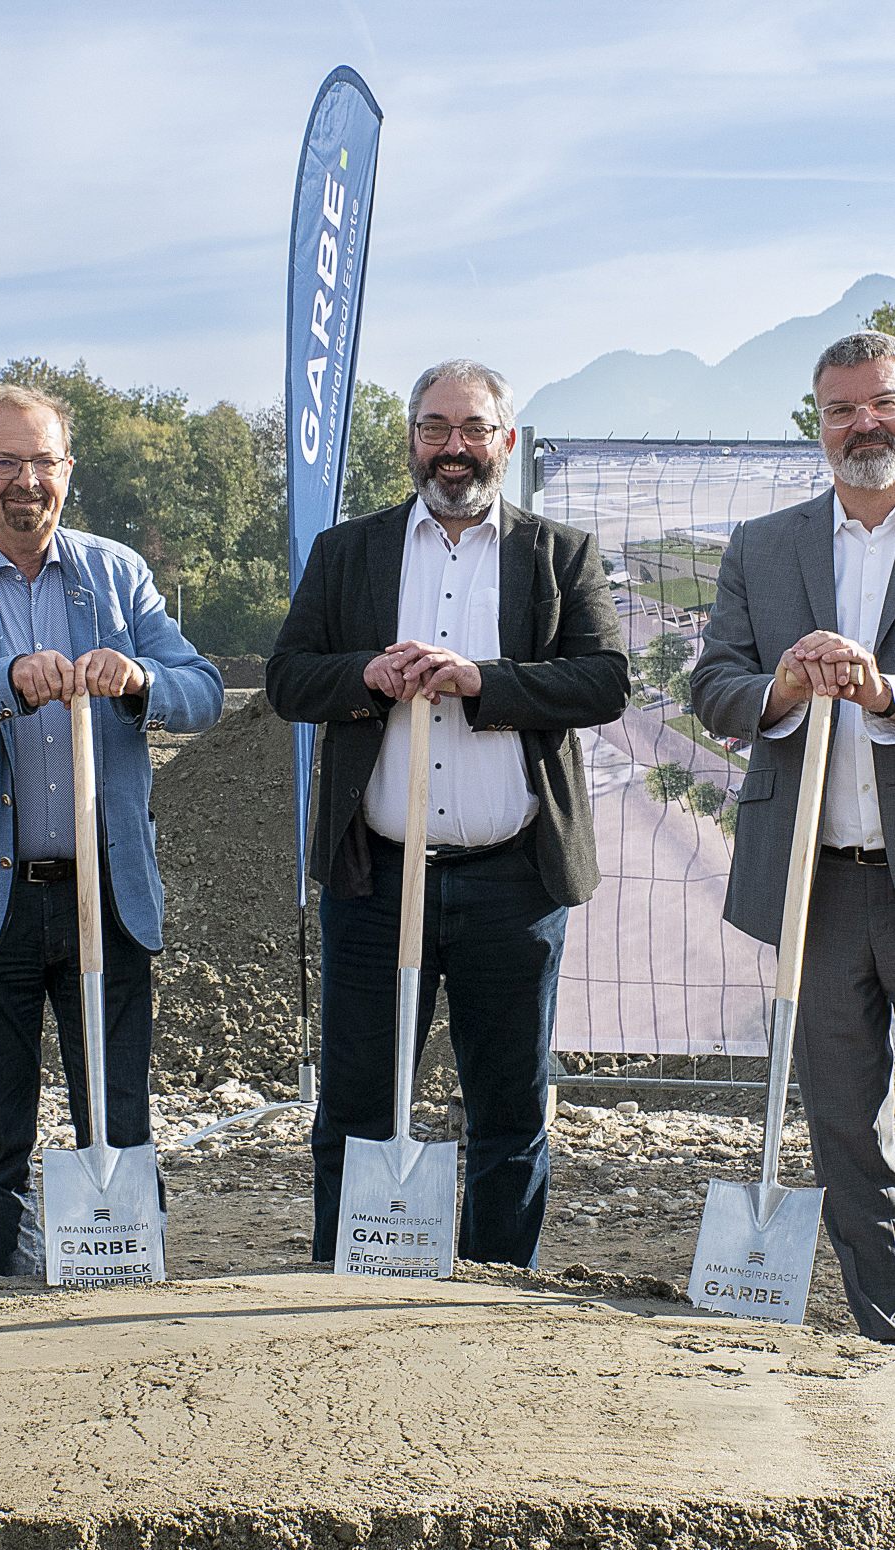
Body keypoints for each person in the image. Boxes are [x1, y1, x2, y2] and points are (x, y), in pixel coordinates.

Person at [266, 359, 628, 1267]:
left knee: (508, 1106)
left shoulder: (559, 554)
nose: (452, 448)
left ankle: (495, 1286)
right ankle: (343, 1277)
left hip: (512, 877)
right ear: (412, 441)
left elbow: (606, 681)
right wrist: (366, 675)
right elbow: (285, 679)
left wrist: (481, 682)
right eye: (434, 429)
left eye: (472, 429)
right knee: (354, 1101)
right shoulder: (348, 553)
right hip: (375, 876)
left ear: (505, 440)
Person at [0, 384, 222, 1276]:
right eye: (4, 463)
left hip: (105, 896)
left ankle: (116, 1273)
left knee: (117, 1113)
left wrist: (140, 676)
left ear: (67, 470)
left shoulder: (118, 576)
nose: (24, 481)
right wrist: (3, 684)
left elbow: (204, 693)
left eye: (41, 462)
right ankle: (8, 1287)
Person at [692, 330, 895, 1343]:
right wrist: (778, 682)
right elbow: (710, 684)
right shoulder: (760, 546)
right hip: (815, 883)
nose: (862, 423)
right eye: (839, 409)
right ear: (814, 424)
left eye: (879, 401)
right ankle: (882, 1332)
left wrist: (881, 689)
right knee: (843, 1121)